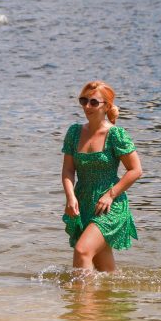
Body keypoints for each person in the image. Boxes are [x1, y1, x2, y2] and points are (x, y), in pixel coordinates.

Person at [61, 81, 143, 272]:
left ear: (106, 106)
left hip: (109, 204)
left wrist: (110, 195)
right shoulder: (74, 132)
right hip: (83, 201)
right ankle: (114, 299)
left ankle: (81, 301)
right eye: (83, 101)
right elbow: (68, 170)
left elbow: (136, 170)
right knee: (103, 267)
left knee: (82, 251)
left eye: (93, 102)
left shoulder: (116, 135)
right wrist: (70, 197)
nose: (87, 106)